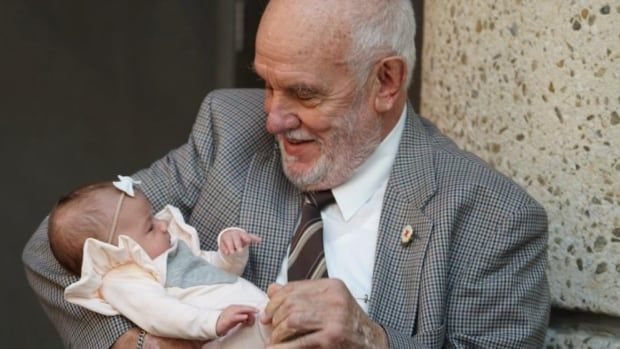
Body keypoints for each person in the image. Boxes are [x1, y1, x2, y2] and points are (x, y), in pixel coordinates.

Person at [23, 0, 550, 348]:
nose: (272, 118)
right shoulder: (230, 130)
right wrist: (141, 343)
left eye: (303, 92)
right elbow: (54, 250)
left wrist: (373, 341)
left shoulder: (492, 219)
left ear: (385, 82)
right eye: (267, 84)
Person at [48, 177, 271, 347]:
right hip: (232, 336)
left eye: (154, 216)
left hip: (254, 317)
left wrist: (231, 251)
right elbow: (162, 315)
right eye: (150, 227)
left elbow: (220, 274)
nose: (163, 225)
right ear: (114, 251)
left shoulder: (169, 252)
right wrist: (214, 322)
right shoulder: (124, 280)